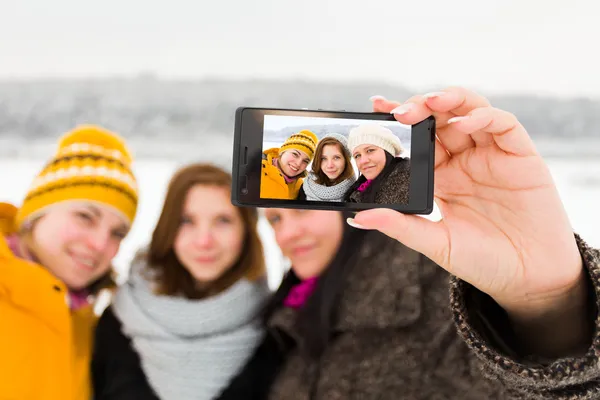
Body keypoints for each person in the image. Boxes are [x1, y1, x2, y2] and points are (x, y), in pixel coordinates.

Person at [217, 87, 600, 399]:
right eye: (275, 220)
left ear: (339, 203)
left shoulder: (432, 293)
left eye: (299, 213)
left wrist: (548, 301)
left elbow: (542, 383)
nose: (286, 234)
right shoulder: (286, 316)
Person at [92, 163, 270, 400]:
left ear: (247, 231)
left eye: (223, 221)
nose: (204, 241)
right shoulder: (118, 321)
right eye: (187, 221)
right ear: (168, 228)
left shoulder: (278, 328)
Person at [0, 125, 139, 400]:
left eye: (117, 233)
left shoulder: (86, 324)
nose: (100, 244)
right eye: (85, 216)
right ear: (36, 214)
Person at [343, 123, 411, 204]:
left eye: (370, 150)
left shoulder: (408, 182)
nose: (363, 161)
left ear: (388, 153)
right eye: (357, 155)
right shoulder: (361, 187)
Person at [298, 133, 357, 202]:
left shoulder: (356, 192)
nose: (330, 165)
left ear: (346, 160)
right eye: (323, 158)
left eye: (336, 157)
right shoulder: (306, 186)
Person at [260, 129, 318, 200]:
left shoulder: (300, 187)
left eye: (305, 161)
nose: (298, 163)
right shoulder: (258, 172)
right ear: (282, 152)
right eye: (295, 154)